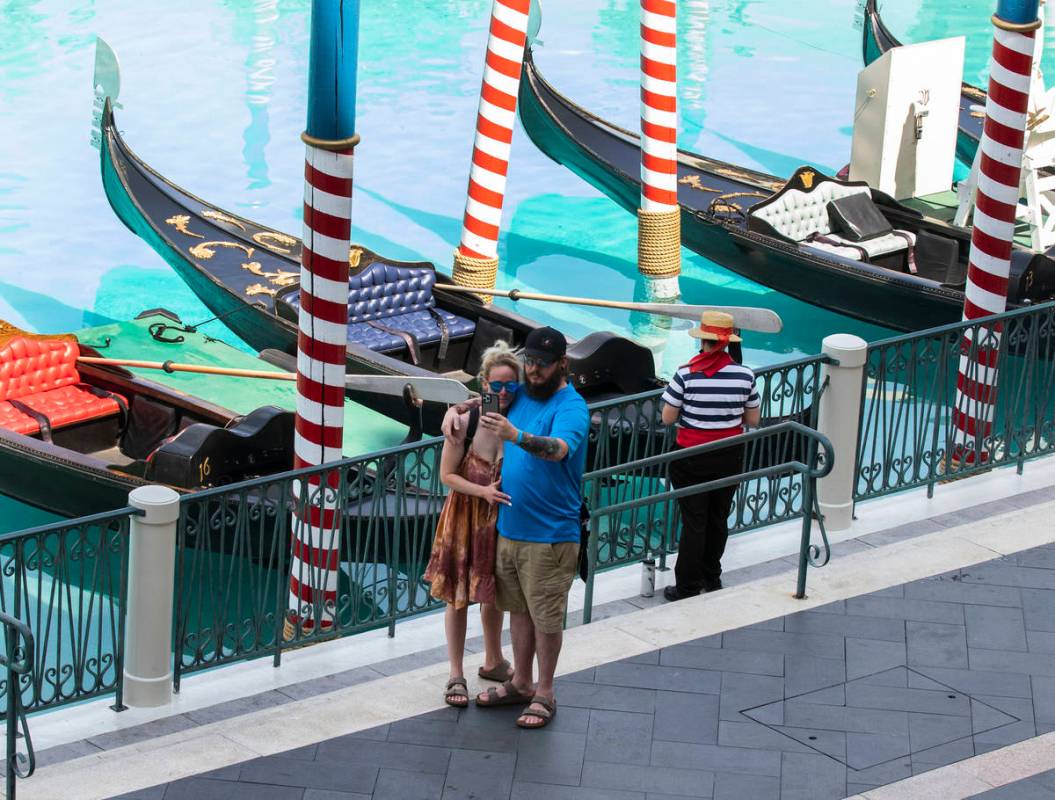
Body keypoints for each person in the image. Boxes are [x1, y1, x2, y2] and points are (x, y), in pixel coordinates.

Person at [444, 326, 589, 729]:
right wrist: (454, 410)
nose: (534, 370)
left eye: (543, 364)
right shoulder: (523, 393)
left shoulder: (571, 406)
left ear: (563, 363)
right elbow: (489, 394)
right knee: (519, 612)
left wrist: (518, 436)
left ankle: (545, 692)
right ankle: (521, 682)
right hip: (510, 528)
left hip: (551, 534)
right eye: (531, 362)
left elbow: (560, 449)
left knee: (545, 617)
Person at [424, 341, 519, 708]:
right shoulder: (466, 421)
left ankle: (494, 660)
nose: (504, 393)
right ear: (484, 385)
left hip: (499, 519)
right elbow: (446, 475)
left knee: (491, 593)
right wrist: (482, 492)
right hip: (465, 518)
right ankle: (455, 672)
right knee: (458, 596)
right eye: (496, 387)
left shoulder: (518, 419)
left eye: (511, 386)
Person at [660, 311, 761, 600]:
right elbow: (753, 420)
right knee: (718, 518)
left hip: (690, 456)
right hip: (729, 456)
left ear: (702, 340)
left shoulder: (686, 373)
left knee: (694, 521)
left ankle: (688, 586)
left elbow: (668, 418)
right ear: (728, 343)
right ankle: (711, 577)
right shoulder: (744, 375)